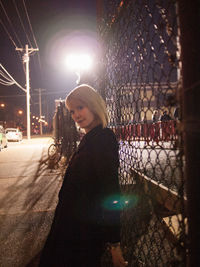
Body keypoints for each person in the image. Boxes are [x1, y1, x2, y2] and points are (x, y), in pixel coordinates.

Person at [39, 84, 128, 267]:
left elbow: (111, 190)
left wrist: (114, 242)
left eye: (80, 107)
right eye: (72, 111)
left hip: (82, 235)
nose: (76, 115)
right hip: (72, 230)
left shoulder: (102, 139)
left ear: (93, 105)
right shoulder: (90, 138)